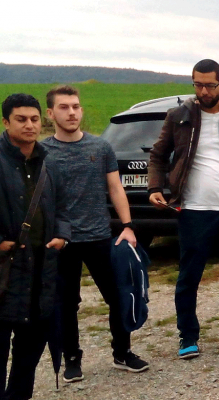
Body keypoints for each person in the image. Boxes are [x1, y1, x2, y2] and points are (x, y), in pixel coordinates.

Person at [0, 93, 71, 399]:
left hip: (41, 272)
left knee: (30, 351)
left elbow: (63, 207)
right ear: (5, 122)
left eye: (34, 119)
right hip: (1, 272)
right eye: (21, 119)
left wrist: (62, 233)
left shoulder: (51, 163)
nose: (30, 125)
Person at [147, 59, 219, 359]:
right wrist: (155, 188)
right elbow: (158, 156)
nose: (203, 90)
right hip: (195, 211)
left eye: (209, 85)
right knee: (189, 276)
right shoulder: (179, 117)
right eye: (197, 84)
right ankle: (188, 336)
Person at [40, 85, 150, 381]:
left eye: (76, 106)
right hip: (62, 241)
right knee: (66, 304)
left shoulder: (100, 147)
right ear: (50, 114)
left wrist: (128, 226)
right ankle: (71, 358)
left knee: (118, 297)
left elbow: (116, 188)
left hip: (100, 236)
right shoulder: (41, 152)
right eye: (64, 107)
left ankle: (122, 353)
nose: (72, 112)